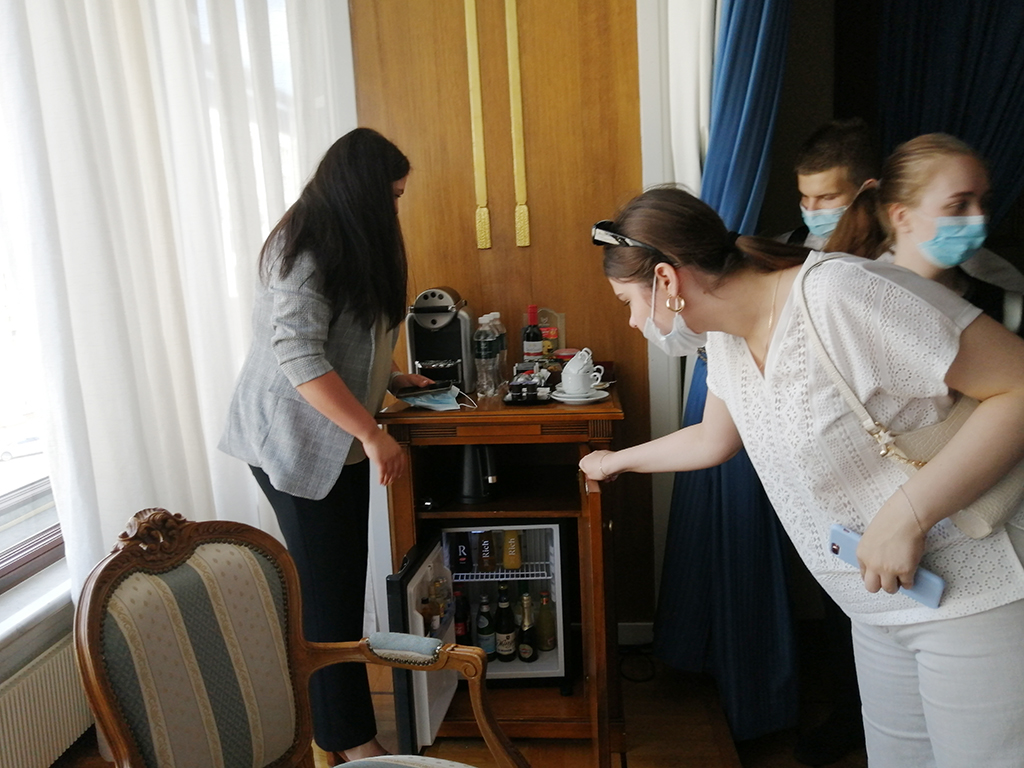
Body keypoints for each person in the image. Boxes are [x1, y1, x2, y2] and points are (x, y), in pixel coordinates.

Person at [583, 186, 1024, 767]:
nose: (634, 321)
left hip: (973, 593)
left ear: (666, 280)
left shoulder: (837, 295)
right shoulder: (728, 339)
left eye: (627, 302)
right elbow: (714, 439)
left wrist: (908, 514)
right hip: (874, 600)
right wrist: (614, 461)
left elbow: (1017, 385)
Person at [219, 128, 433, 765]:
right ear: (363, 192)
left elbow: (352, 337)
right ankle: (345, 741)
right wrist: (371, 431)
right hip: (293, 443)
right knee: (328, 597)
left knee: (334, 590)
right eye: (392, 196)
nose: (395, 209)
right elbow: (300, 357)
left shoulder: (348, 240)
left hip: (335, 441)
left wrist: (390, 379)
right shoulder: (304, 250)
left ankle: (334, 735)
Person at [828, 132, 1024, 336]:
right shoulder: (855, 304)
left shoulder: (1008, 310)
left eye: (984, 203)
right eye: (959, 205)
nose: (979, 216)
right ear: (901, 216)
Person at [780, 117, 878, 248]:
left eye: (827, 197)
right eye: (805, 196)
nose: (810, 210)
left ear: (868, 190)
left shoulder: (896, 254)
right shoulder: (787, 246)